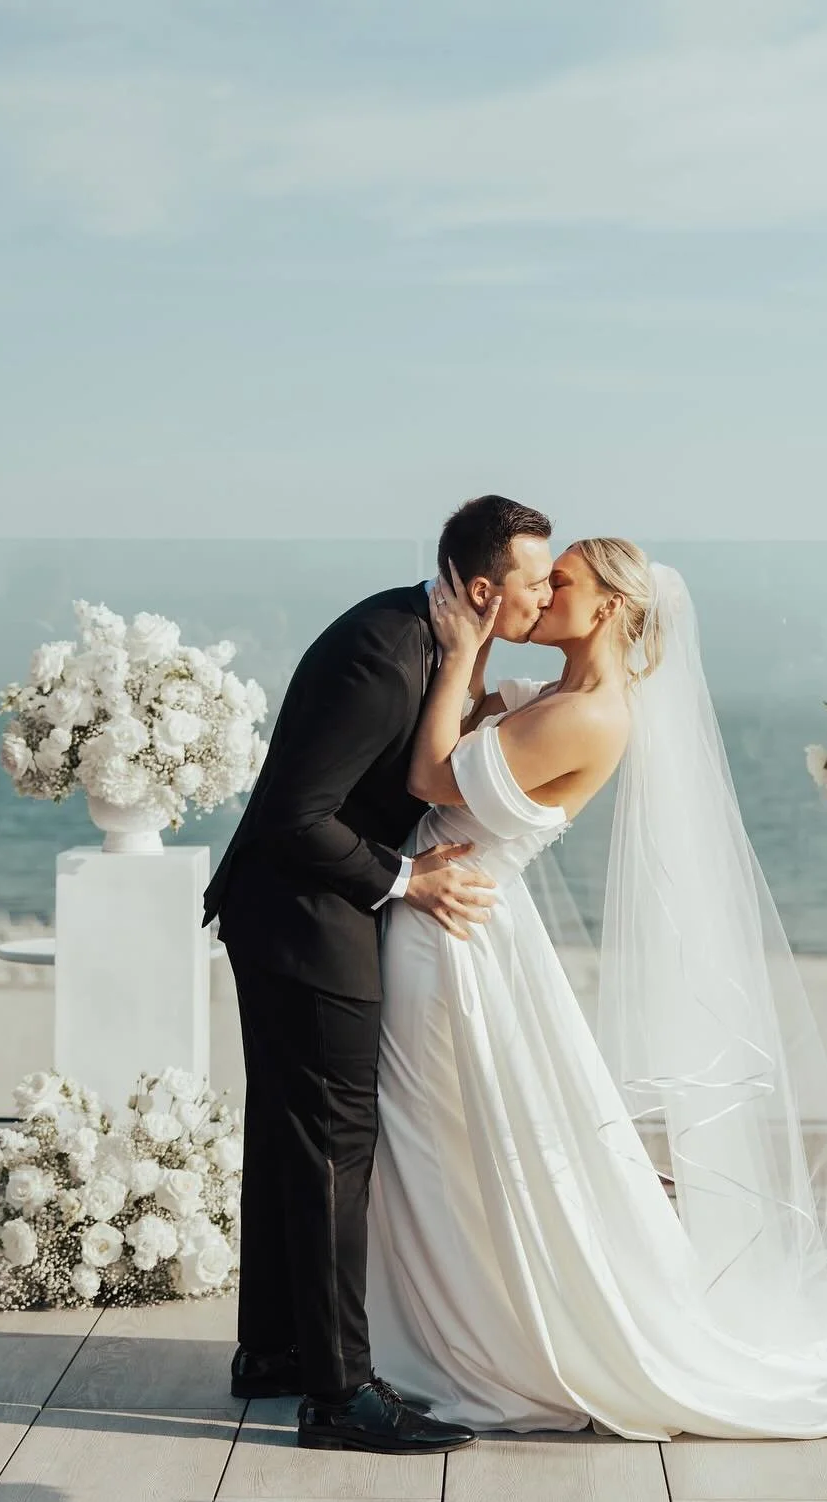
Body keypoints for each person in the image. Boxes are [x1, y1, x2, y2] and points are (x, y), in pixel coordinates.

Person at [365, 541, 827, 1437]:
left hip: (459, 927)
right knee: (445, 1134)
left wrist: (465, 645)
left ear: (608, 608)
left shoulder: (593, 714)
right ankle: (422, 1325)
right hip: (456, 916)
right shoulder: (547, 696)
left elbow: (431, 775)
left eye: (560, 581)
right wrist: (483, 648)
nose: (541, 592)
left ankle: (438, 1341)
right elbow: (459, 735)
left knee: (432, 1128)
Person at [205, 495, 554, 1453]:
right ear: (480, 589)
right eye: (533, 581)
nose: (544, 594)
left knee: (292, 1139)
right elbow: (296, 816)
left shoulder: (432, 640)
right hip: (305, 922)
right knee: (333, 1148)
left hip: (296, 916)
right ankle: (339, 1395)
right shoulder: (386, 651)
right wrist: (408, 879)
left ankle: (273, 1351)